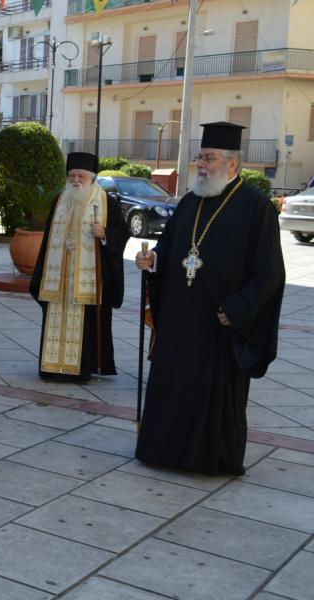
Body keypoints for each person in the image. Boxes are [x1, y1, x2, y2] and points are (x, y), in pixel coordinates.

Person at [135, 122, 285, 476]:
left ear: (232, 165)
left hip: (219, 323)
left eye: (209, 158)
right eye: (200, 157)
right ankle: (163, 451)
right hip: (179, 321)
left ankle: (208, 459)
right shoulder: (189, 202)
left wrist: (238, 310)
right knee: (173, 387)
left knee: (211, 394)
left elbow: (270, 273)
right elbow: (171, 249)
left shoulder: (256, 208)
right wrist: (152, 260)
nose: (201, 164)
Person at [29, 152, 129, 382]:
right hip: (60, 279)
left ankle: (84, 368)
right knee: (56, 317)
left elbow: (123, 232)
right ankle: (51, 367)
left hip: (90, 280)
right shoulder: (59, 200)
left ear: (91, 178)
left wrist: (105, 234)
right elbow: (47, 240)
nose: (75, 180)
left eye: (80, 176)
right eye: (72, 176)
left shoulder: (106, 202)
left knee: (87, 323)